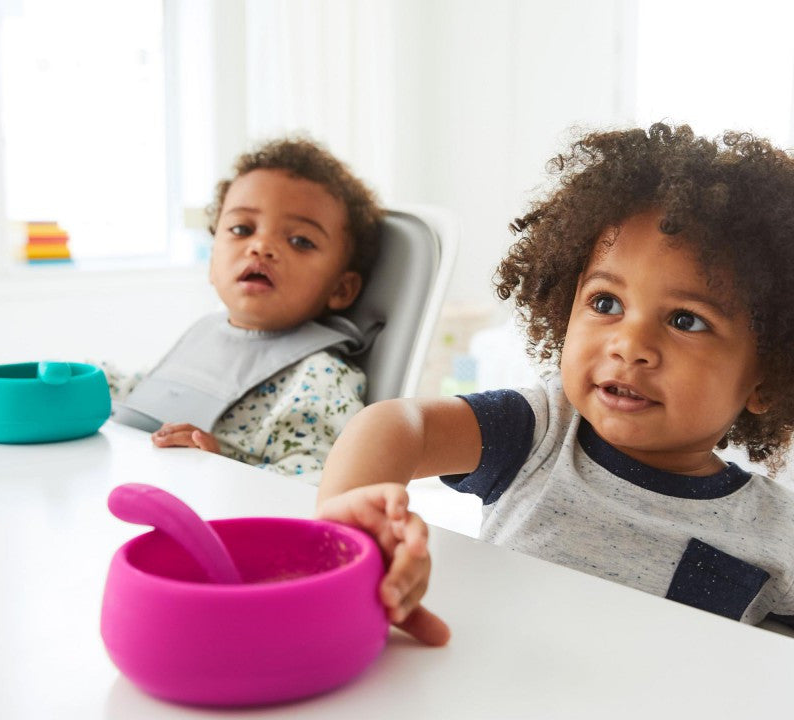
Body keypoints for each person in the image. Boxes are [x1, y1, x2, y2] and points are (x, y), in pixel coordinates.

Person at [316, 122, 794, 646]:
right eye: (606, 303)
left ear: (767, 380)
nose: (629, 344)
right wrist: (350, 534)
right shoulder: (540, 433)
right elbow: (397, 425)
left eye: (686, 320)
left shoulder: (778, 530)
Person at [106, 136, 383, 483]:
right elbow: (141, 390)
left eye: (300, 241)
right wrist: (88, 382)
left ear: (341, 288)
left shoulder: (321, 376)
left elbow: (317, 481)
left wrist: (219, 465)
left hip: (215, 509)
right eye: (242, 229)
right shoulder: (206, 334)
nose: (261, 246)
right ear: (212, 263)